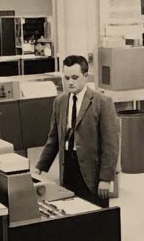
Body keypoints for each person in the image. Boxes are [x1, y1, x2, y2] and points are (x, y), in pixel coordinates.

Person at [33, 54, 119, 208]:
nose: (70, 82)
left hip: (92, 172)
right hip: (68, 167)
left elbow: (111, 145)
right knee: (71, 213)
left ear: (85, 76)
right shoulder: (60, 102)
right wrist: (39, 168)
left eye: (74, 77)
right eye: (66, 78)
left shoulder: (102, 102)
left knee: (95, 217)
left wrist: (105, 178)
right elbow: (53, 139)